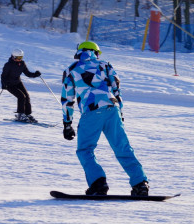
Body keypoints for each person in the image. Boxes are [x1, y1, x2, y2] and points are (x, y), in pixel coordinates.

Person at [61, 41, 149, 196]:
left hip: (91, 112)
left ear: (79, 52)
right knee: (122, 147)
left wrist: (67, 124)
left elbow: (68, 99)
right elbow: (116, 90)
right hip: (111, 109)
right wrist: (120, 114)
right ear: (96, 53)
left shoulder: (71, 70)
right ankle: (140, 183)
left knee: (85, 150)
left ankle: (98, 183)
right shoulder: (106, 65)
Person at [1, 49, 41, 123]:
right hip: (9, 84)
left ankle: (27, 114)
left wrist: (35, 74)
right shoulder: (8, 65)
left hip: (18, 82)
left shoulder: (22, 63)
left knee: (27, 96)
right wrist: (4, 85)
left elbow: (27, 73)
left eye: (21, 58)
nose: (19, 60)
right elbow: (3, 76)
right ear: (13, 57)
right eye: (18, 58)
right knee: (21, 96)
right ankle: (20, 115)